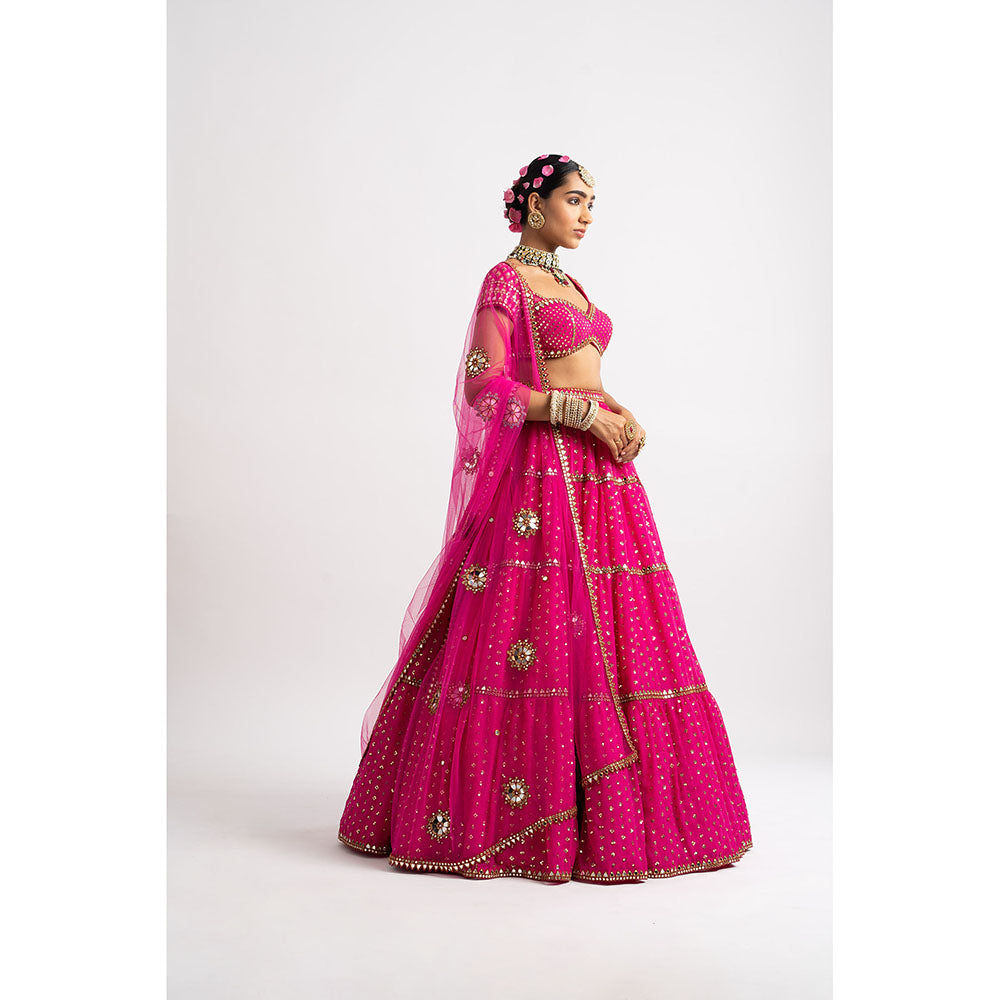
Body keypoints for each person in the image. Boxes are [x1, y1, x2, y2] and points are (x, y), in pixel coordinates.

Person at [338, 154, 752, 884]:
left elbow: (583, 374)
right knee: (533, 628)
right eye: (574, 200)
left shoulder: (571, 284)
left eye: (592, 203)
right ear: (535, 205)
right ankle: (506, 820)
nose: (586, 215)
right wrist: (573, 412)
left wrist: (615, 411)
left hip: (600, 477)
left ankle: (612, 816)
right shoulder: (505, 281)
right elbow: (485, 386)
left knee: (621, 630)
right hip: (539, 477)